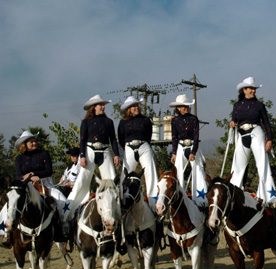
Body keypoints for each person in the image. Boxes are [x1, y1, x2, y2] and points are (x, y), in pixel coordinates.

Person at [1, 131, 68, 248]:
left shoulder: (44, 154)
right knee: (8, 207)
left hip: (45, 185)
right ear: (24, 144)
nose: (34, 143)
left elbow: (48, 171)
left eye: (34, 141)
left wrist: (34, 174)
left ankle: (61, 231)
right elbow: (19, 175)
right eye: (31, 141)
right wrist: (29, 177)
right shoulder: (19, 159)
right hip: (26, 188)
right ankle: (8, 235)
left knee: (62, 202)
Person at [64, 95, 120, 223]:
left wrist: (116, 154)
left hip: (105, 151)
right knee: (81, 181)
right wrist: (82, 156)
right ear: (94, 107)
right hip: (89, 151)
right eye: (100, 105)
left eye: (103, 105)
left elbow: (113, 139)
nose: (103, 107)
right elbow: (82, 140)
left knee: (111, 181)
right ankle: (68, 213)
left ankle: (116, 214)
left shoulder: (109, 122)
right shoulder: (86, 122)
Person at [229, 77, 276, 207]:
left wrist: (270, 140)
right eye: (251, 89)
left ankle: (267, 196)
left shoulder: (259, 105)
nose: (253, 91)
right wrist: (232, 123)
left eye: (254, 89)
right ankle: (234, 196)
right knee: (238, 167)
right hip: (242, 134)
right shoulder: (237, 106)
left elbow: (267, 123)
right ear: (244, 90)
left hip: (256, 132)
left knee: (262, 164)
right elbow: (234, 120)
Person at [118, 96, 158, 208]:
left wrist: (144, 145)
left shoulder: (145, 120)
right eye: (133, 106)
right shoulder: (123, 122)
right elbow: (121, 138)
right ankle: (123, 201)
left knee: (150, 173)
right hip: (129, 148)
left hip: (144, 146)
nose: (136, 108)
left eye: (137, 105)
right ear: (128, 109)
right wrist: (127, 148)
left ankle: (154, 204)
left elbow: (148, 135)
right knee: (125, 174)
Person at [170, 94, 208, 207]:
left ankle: (201, 200)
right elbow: (174, 137)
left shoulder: (193, 119)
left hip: (193, 145)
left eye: (186, 105)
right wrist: (174, 153)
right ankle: (179, 197)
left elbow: (196, 136)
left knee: (198, 170)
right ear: (178, 108)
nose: (185, 107)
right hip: (181, 146)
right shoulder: (175, 120)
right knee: (178, 171)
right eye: (182, 106)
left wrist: (193, 152)